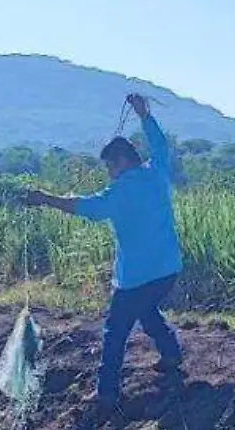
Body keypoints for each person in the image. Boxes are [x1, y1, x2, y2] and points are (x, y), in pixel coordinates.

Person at [24, 94, 185, 406]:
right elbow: (160, 145)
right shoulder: (157, 172)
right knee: (147, 310)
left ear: (122, 161)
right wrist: (144, 114)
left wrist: (46, 199)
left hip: (136, 277)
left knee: (115, 331)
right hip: (168, 269)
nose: (109, 171)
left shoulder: (120, 192)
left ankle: (107, 392)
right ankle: (172, 355)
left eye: (110, 165)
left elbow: (85, 207)